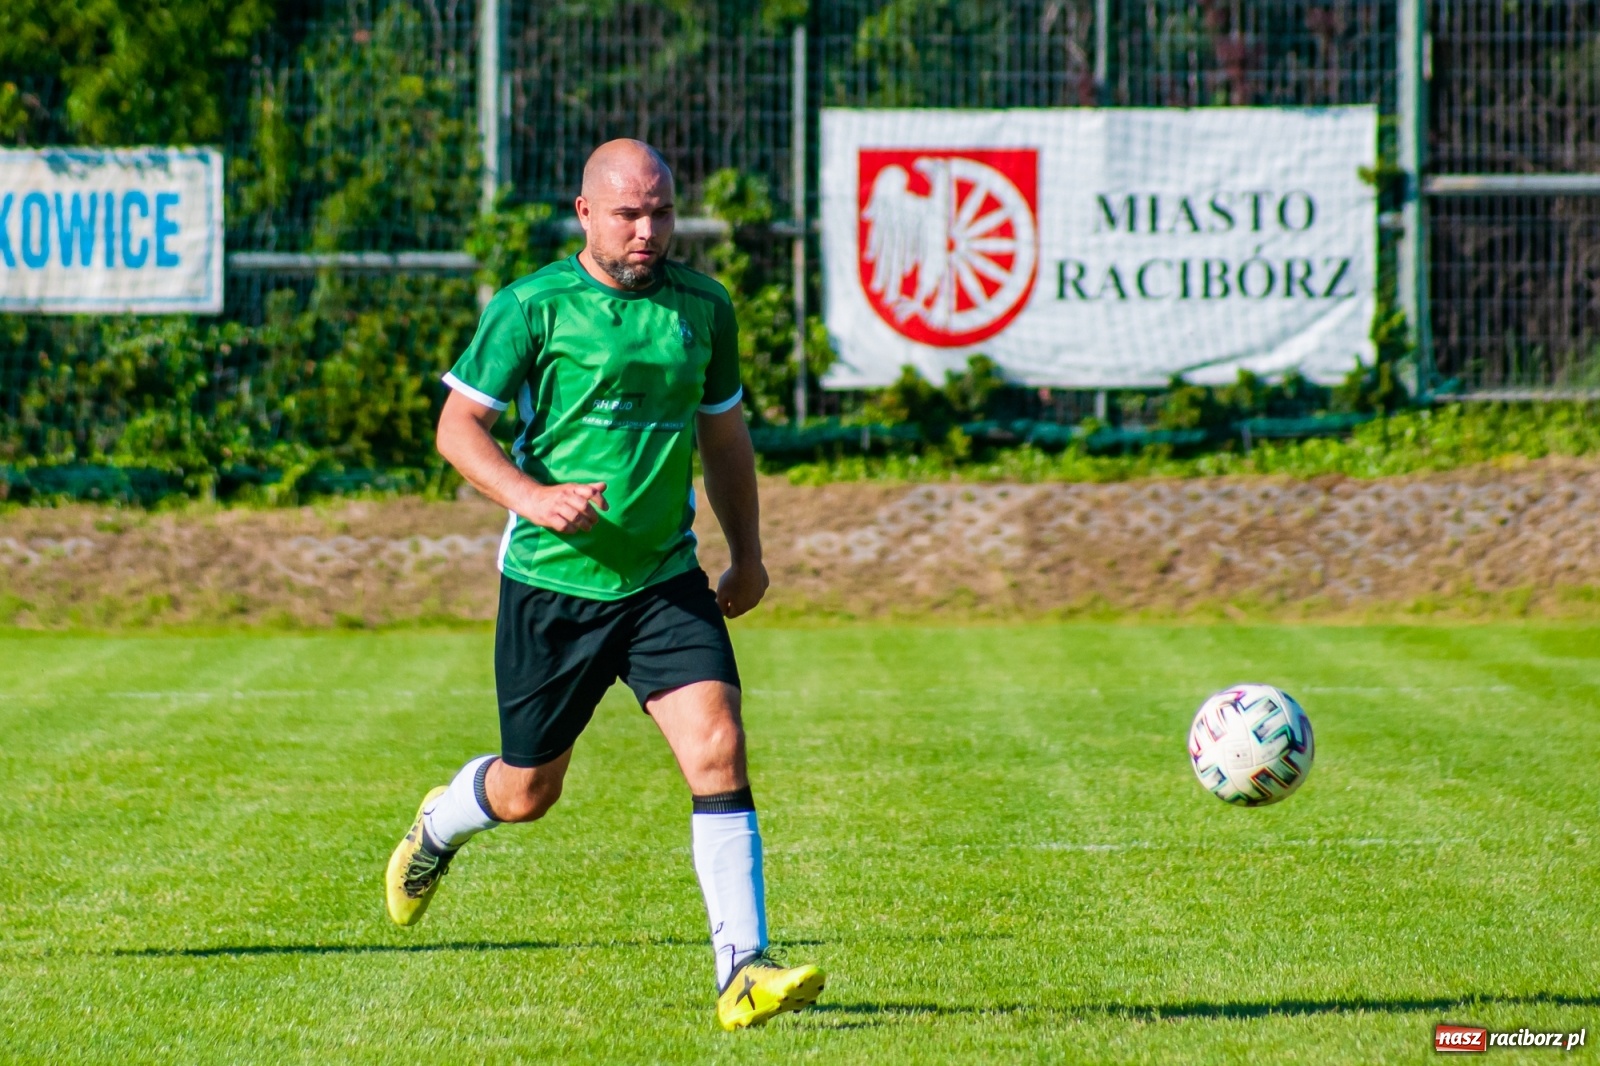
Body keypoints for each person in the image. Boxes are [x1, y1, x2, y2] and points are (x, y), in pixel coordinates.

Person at [382, 138, 823, 1031]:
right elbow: (458, 428)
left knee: (719, 747)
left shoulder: (704, 307)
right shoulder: (531, 308)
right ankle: (441, 823)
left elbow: (725, 440)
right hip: (552, 586)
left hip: (664, 576)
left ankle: (743, 969)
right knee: (528, 792)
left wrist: (749, 553)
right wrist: (531, 496)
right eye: (629, 214)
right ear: (585, 213)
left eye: (662, 212)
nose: (648, 230)